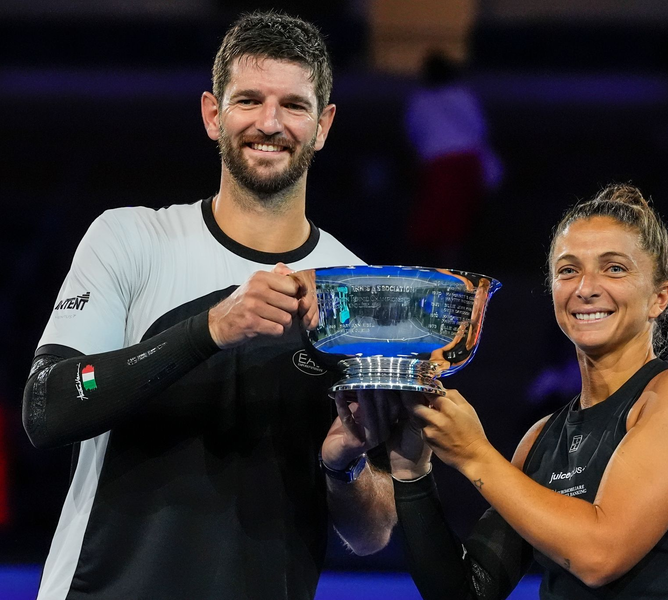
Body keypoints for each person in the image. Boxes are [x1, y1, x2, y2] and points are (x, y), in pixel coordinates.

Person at [22, 11, 397, 600]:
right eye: (248, 100)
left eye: (293, 105)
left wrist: (342, 465)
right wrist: (211, 329)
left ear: (323, 125)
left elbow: (373, 533)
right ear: (212, 114)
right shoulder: (130, 239)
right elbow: (47, 405)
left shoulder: (359, 291)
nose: (269, 123)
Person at [387, 184, 668, 599]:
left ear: (659, 298)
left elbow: (600, 555)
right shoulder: (541, 438)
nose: (585, 288)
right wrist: (410, 473)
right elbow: (468, 592)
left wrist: (473, 453)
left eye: (614, 268)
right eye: (568, 270)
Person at [404, 52, 502, 267]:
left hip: (439, 164)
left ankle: (438, 271)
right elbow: (481, 128)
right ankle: (450, 269)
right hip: (465, 163)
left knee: (435, 221)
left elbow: (413, 133)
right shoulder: (462, 95)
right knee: (455, 223)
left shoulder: (420, 100)